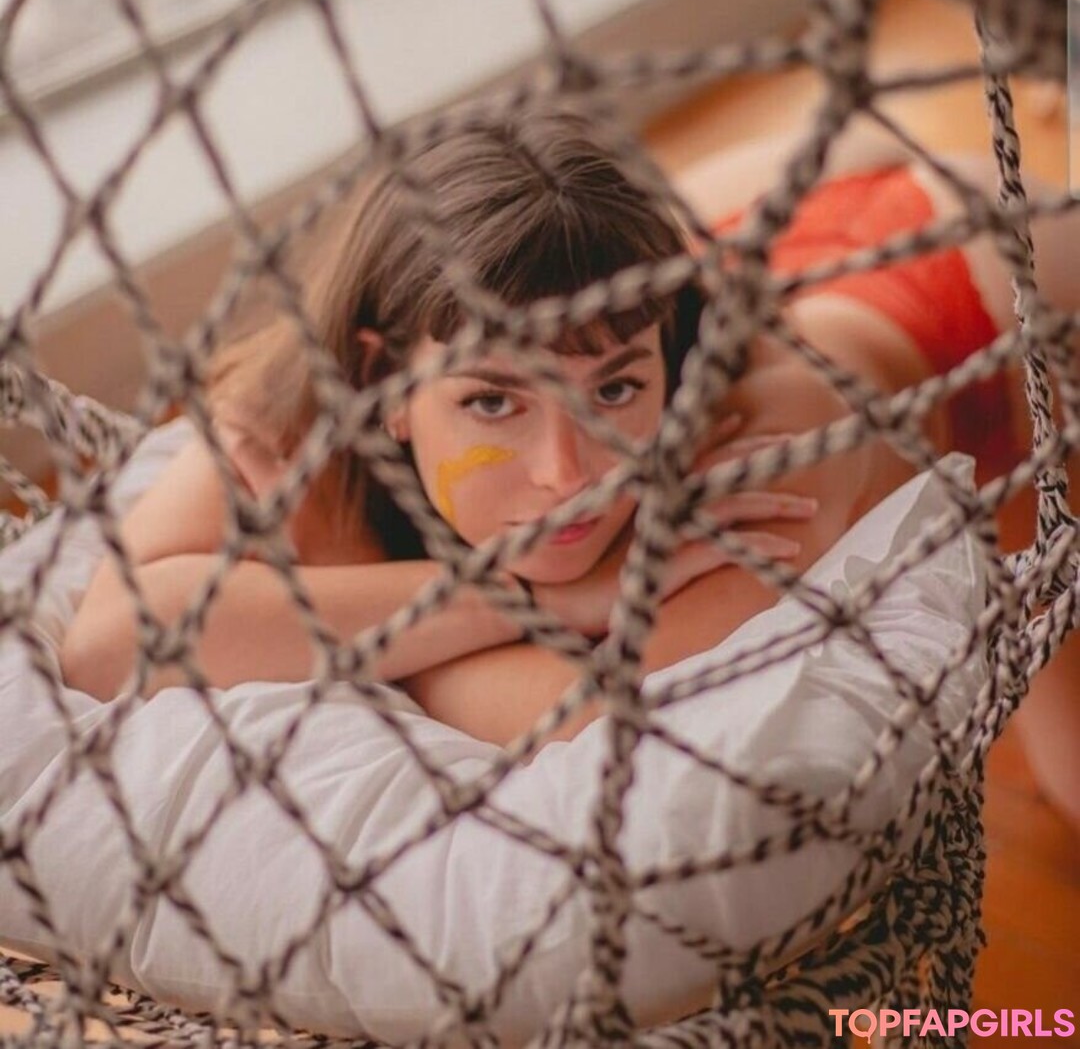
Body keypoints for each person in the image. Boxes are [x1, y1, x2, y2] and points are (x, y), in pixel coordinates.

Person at [58, 112, 1079, 830]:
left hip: (997, 299)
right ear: (383, 379)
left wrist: (336, 614)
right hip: (739, 225)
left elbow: (580, 709)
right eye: (493, 402)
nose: (569, 473)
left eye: (617, 389)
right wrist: (524, 596)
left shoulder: (762, 447)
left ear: (669, 362)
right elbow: (107, 640)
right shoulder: (312, 396)